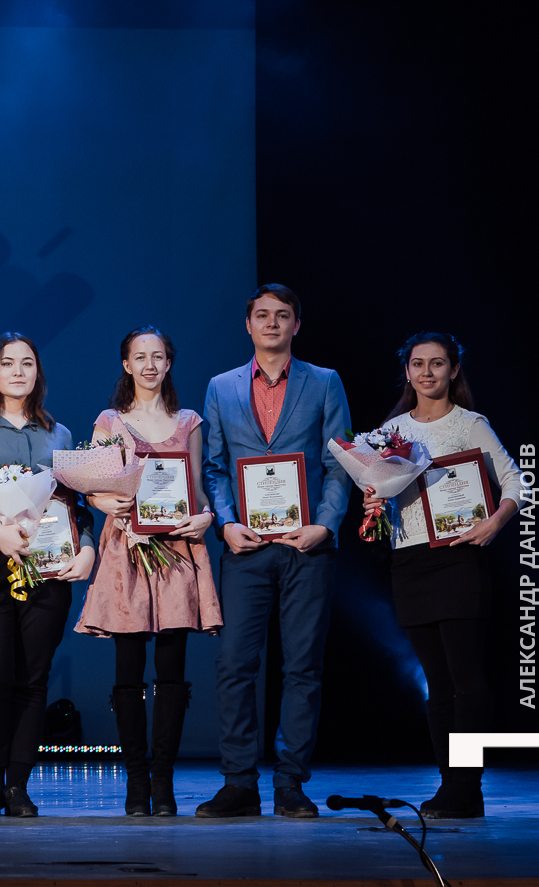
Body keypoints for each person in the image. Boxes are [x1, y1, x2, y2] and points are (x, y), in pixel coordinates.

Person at [198, 284, 351, 819]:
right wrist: (226, 523)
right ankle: (239, 783)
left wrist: (324, 526)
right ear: (248, 325)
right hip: (246, 548)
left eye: (282, 315)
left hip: (307, 546)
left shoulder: (325, 381)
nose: (271, 323)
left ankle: (290, 784)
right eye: (261, 315)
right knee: (235, 664)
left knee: (303, 667)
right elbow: (214, 466)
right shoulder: (221, 386)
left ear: (296, 324)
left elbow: (339, 462)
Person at [362, 332, 520, 818]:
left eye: (437, 363)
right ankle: (451, 784)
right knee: (437, 683)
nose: (427, 372)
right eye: (418, 364)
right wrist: (374, 501)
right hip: (409, 561)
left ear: (453, 370)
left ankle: (467, 788)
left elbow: (515, 481)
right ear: (407, 372)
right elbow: (382, 491)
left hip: (458, 558)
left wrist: (494, 522)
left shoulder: (470, 424)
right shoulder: (391, 430)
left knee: (466, 679)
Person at [74, 326, 222, 816]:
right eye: (140, 357)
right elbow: (94, 489)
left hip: (177, 549)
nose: (150, 365)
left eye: (158, 356)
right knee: (128, 667)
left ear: (169, 363)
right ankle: (136, 783)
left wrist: (206, 516)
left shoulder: (189, 421)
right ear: (127, 365)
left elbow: (196, 489)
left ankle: (164, 781)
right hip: (127, 551)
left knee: (172, 669)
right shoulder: (109, 422)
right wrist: (105, 502)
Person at [0, 332, 95, 818]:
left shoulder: (60, 436)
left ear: (38, 373)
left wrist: (88, 547)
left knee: (33, 678)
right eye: (8, 363)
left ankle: (18, 786)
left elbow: (75, 505)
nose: (18, 371)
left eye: (27, 363)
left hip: (48, 566)